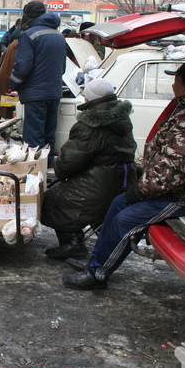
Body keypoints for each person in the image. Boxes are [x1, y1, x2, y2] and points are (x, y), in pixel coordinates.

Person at [62, 62, 185, 290]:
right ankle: (96, 260)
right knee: (117, 204)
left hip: (183, 194)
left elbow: (178, 168)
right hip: (166, 186)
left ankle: (97, 274)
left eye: (176, 80)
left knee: (127, 219)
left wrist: (143, 189)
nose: (173, 84)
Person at [41, 78, 137, 259]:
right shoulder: (122, 117)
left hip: (100, 183)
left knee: (52, 196)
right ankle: (85, 235)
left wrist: (59, 174)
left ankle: (72, 242)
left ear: (89, 99)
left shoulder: (90, 125)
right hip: (125, 179)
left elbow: (68, 162)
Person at [9, 1, 66, 155]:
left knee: (34, 138)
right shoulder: (58, 35)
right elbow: (63, 68)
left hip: (35, 94)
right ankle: (47, 168)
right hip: (54, 92)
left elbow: (23, 66)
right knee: (49, 136)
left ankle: (34, 173)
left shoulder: (29, 34)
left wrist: (13, 84)